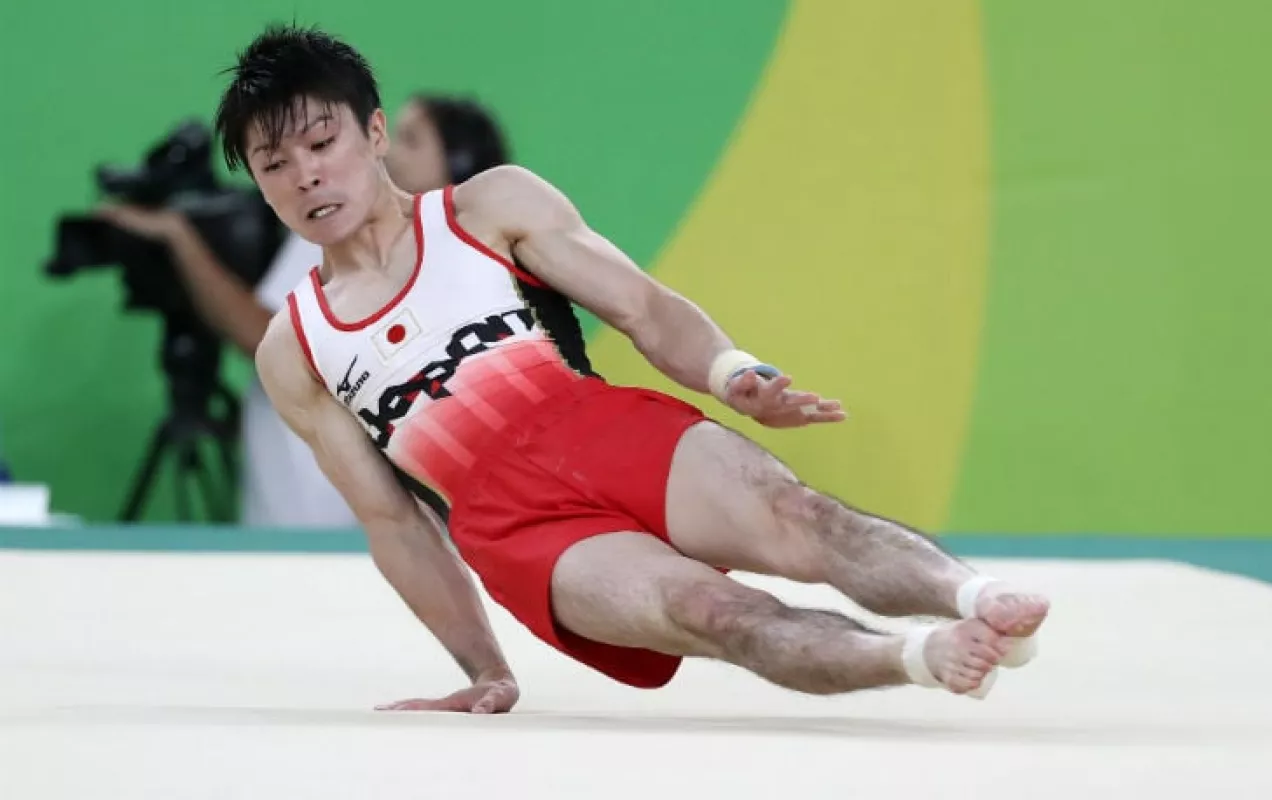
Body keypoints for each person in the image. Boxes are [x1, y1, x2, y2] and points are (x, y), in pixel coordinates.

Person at [221, 23, 1051, 714]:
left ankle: (975, 596)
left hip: (601, 431)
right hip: (519, 532)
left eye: (322, 143)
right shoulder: (295, 349)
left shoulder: (487, 208)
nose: (308, 177)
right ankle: (923, 655)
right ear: (260, 184)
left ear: (370, 133)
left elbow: (644, 309)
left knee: (799, 517)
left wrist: (730, 374)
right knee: (715, 614)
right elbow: (395, 525)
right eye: (275, 165)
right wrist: (485, 670)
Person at [96, 91, 513, 528]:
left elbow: (261, 334)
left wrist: (179, 239)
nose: (383, 148)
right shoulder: (472, 269)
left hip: (316, 526)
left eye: (409, 140)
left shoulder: (344, 227)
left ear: (458, 170)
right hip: (380, 531)